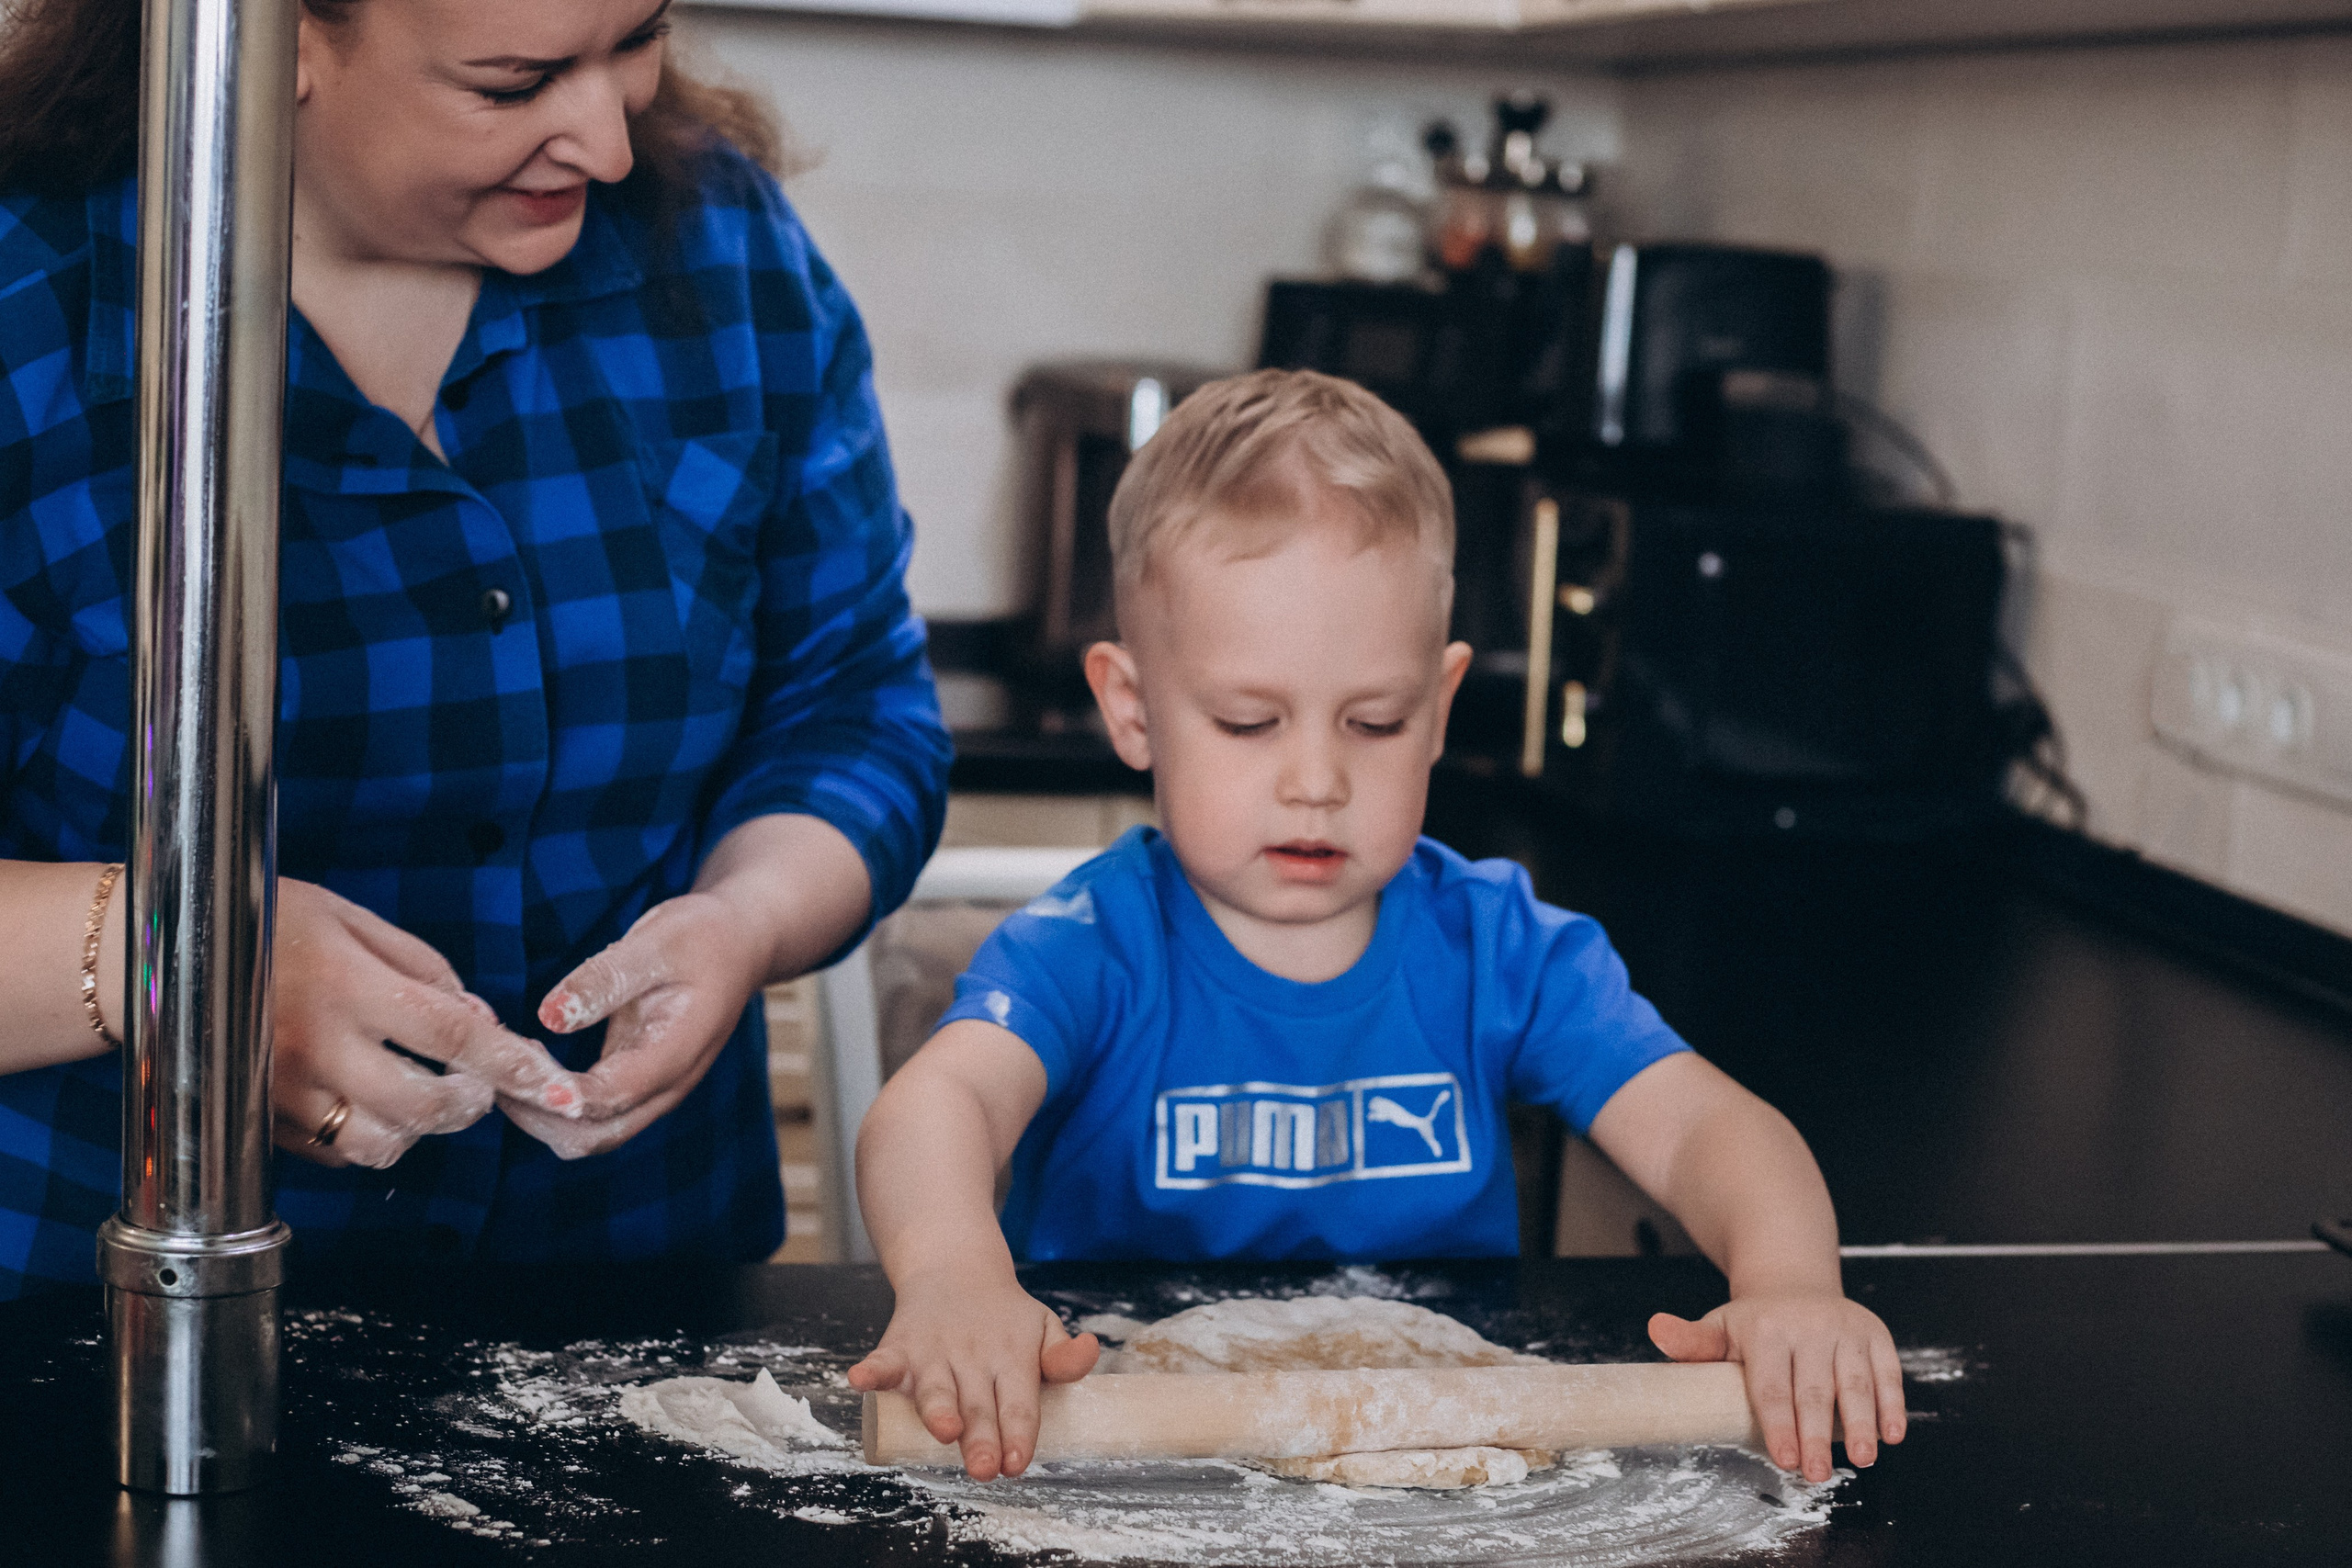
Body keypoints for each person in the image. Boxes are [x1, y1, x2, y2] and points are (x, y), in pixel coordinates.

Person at [0, 0, 949, 1297]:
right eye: (516, 82)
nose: (608, 142)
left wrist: (747, 916)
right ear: (276, 41)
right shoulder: (28, 305)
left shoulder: (728, 256)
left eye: (637, 42)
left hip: (641, 1294)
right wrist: (180, 967)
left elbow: (853, 706)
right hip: (78, 1335)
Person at [848, 369, 1905, 1486]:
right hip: (1124, 1471)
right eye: (1248, 722)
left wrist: (1791, 1286)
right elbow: (937, 1106)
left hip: (1428, 1479)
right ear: (1130, 709)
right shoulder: (1091, 947)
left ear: (1439, 708)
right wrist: (956, 1276)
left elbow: (1704, 1127)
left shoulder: (1494, 947)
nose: (1316, 780)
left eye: (1375, 721)